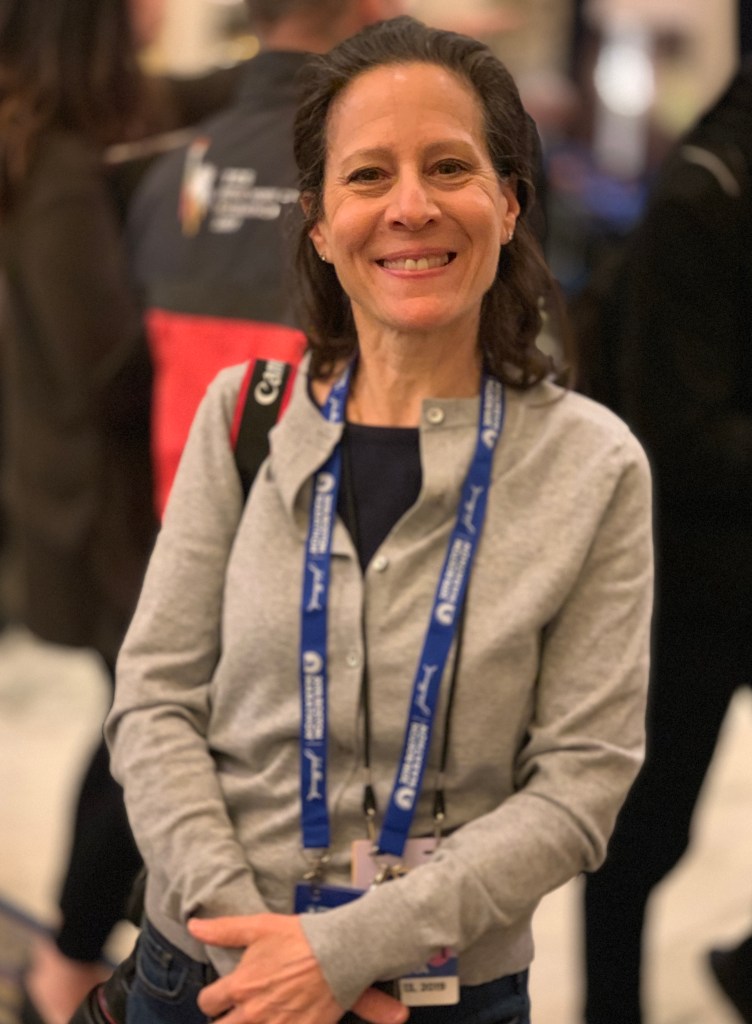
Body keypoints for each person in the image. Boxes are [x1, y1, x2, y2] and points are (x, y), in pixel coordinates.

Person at [106, 15, 654, 1024]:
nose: (410, 206)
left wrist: (343, 952)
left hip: (446, 993)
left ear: (508, 202)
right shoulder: (245, 416)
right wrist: (258, 951)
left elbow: (581, 783)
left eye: (449, 167)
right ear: (319, 222)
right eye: (367, 176)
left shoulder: (593, 465)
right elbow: (154, 705)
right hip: (211, 980)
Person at [578, 48, 752, 1024]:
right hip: (687, 583)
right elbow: (676, 436)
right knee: (644, 837)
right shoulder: (705, 194)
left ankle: (751, 968)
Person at [0, 2, 164, 1022]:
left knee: (135, 727)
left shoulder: (64, 137)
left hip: (89, 499)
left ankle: (65, 953)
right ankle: (63, 960)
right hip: (101, 513)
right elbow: (106, 364)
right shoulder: (58, 166)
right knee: (144, 736)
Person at [127, 0, 405, 517]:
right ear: (372, 9)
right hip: (343, 531)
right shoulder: (385, 183)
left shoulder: (170, 173)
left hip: (188, 530)